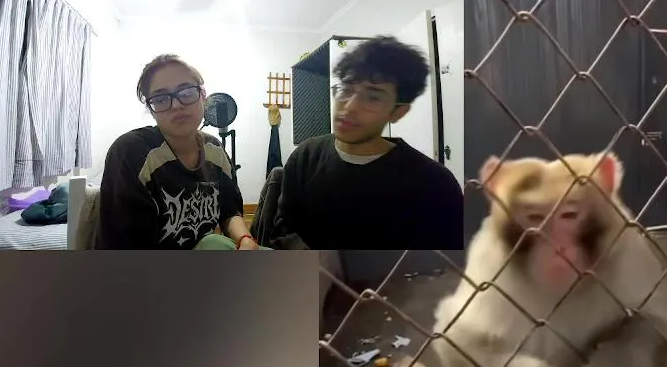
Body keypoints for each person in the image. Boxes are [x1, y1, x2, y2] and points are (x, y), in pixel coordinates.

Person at [270, 35, 464, 250]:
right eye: (346, 90)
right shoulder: (305, 157)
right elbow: (283, 229)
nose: (349, 106)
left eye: (373, 97)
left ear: (398, 112)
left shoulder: (435, 184)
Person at [95, 54, 257, 250]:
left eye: (186, 92)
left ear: (203, 96)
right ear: (151, 108)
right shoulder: (131, 153)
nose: (177, 105)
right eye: (161, 98)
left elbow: (230, 210)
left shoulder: (215, 149)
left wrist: (244, 239)